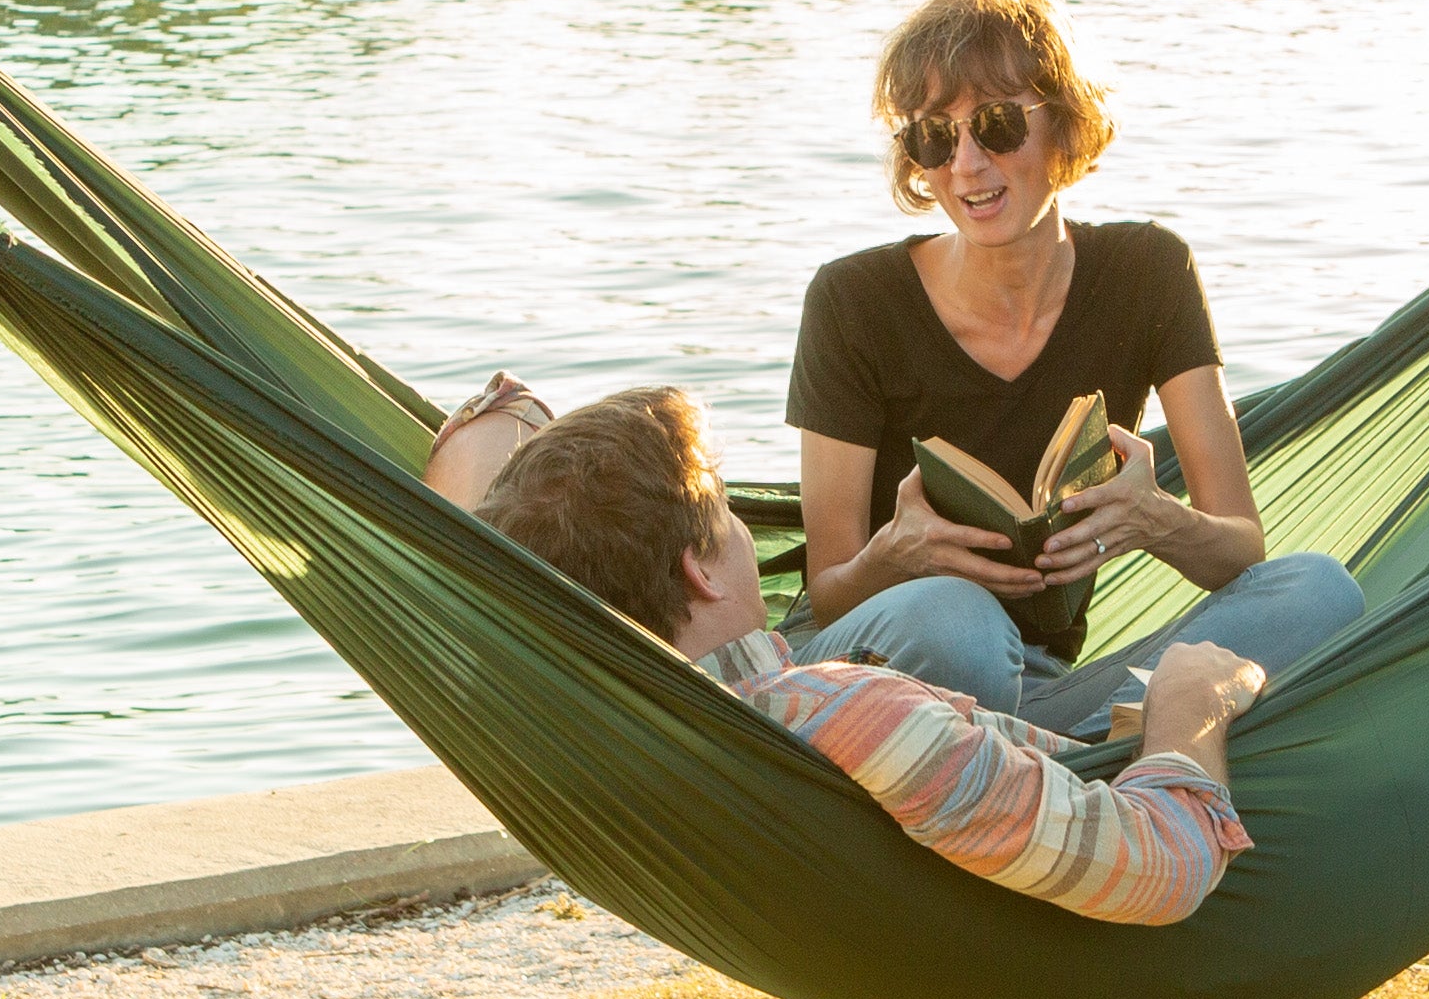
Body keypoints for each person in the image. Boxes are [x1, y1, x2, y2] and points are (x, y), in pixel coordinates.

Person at [784, 0, 1359, 735]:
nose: (965, 165)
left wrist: (1156, 521)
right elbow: (830, 594)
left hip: (1041, 692)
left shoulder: (1150, 271)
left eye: (995, 124)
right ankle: (1106, 753)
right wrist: (898, 557)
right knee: (960, 626)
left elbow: (1239, 546)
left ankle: (1047, 765)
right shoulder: (851, 300)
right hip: (887, 673)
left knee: (1319, 592)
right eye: (932, 135)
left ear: (1063, 121)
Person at [473, 385, 1263, 923]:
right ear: (701, 570)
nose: (752, 537)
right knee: (1314, 591)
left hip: (997, 799)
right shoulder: (846, 713)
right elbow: (1165, 871)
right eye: (731, 517)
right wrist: (1191, 705)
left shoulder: (597, 728)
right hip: (1121, 814)